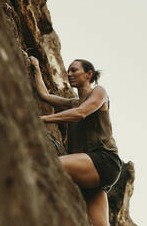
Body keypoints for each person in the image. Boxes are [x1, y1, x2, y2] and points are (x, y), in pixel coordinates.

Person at [30, 56, 122, 226]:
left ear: (89, 74)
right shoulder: (73, 103)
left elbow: (81, 113)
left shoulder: (99, 92)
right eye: (68, 71)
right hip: (92, 170)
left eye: (74, 70)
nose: (69, 74)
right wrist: (35, 67)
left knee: (52, 164)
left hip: (104, 160)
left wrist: (43, 119)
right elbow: (44, 95)